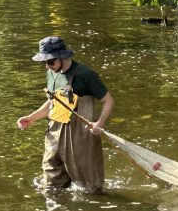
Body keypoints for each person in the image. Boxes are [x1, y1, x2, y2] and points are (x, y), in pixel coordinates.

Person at [16, 36, 115, 194]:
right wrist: (32, 117)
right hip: (54, 130)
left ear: (62, 56)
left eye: (50, 62)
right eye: (45, 63)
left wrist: (99, 123)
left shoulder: (86, 74)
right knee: (51, 178)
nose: (48, 66)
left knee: (88, 186)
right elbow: (52, 103)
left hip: (80, 133)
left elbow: (108, 101)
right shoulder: (52, 73)